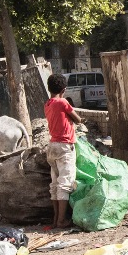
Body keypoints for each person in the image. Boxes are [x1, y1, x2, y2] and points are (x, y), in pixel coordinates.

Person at [45, 73, 83, 229]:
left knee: (55, 184)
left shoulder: (47, 104)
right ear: (64, 89)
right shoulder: (63, 102)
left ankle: (55, 220)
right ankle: (62, 220)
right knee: (65, 184)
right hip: (64, 146)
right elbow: (77, 119)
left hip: (52, 146)